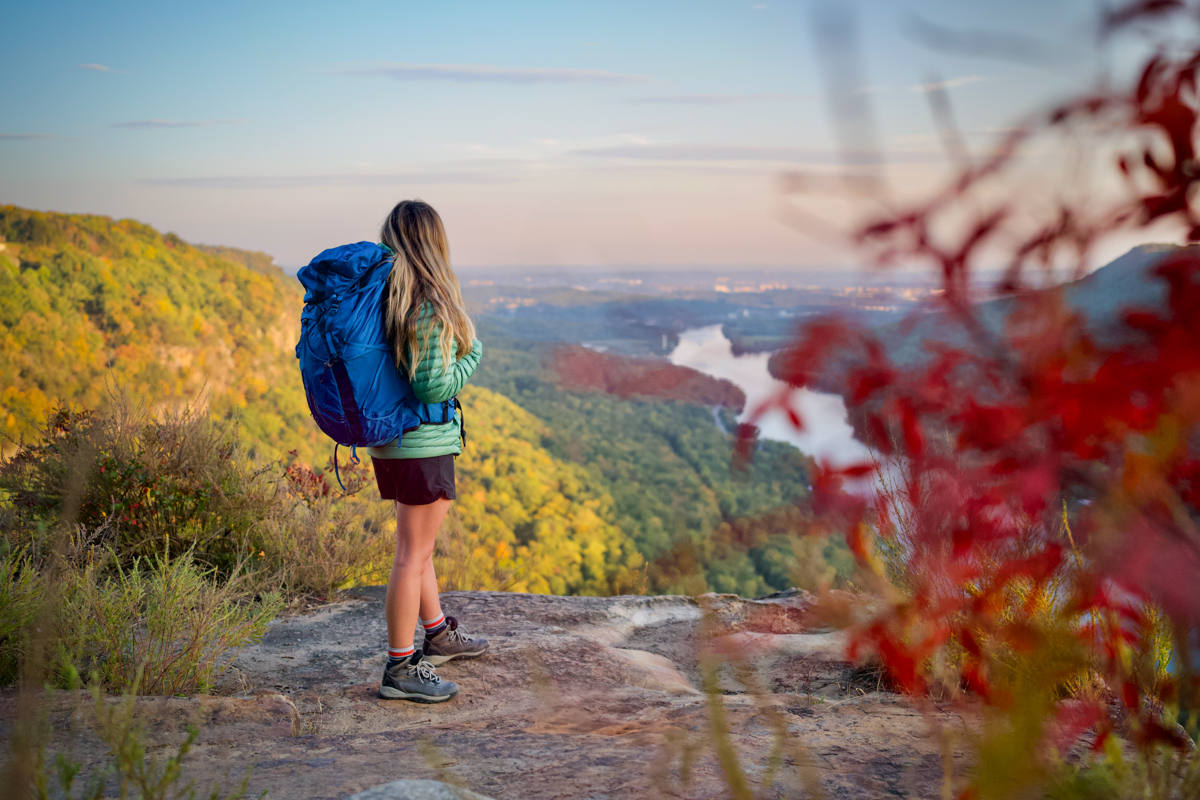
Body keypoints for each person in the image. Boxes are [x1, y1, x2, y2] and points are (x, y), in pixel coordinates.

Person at [369, 200, 488, 703]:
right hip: (422, 442)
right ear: (433, 243)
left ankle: (437, 633)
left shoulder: (384, 297)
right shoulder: (429, 302)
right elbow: (433, 385)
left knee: (418, 551)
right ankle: (400, 668)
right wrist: (472, 356)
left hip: (391, 443)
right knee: (410, 557)